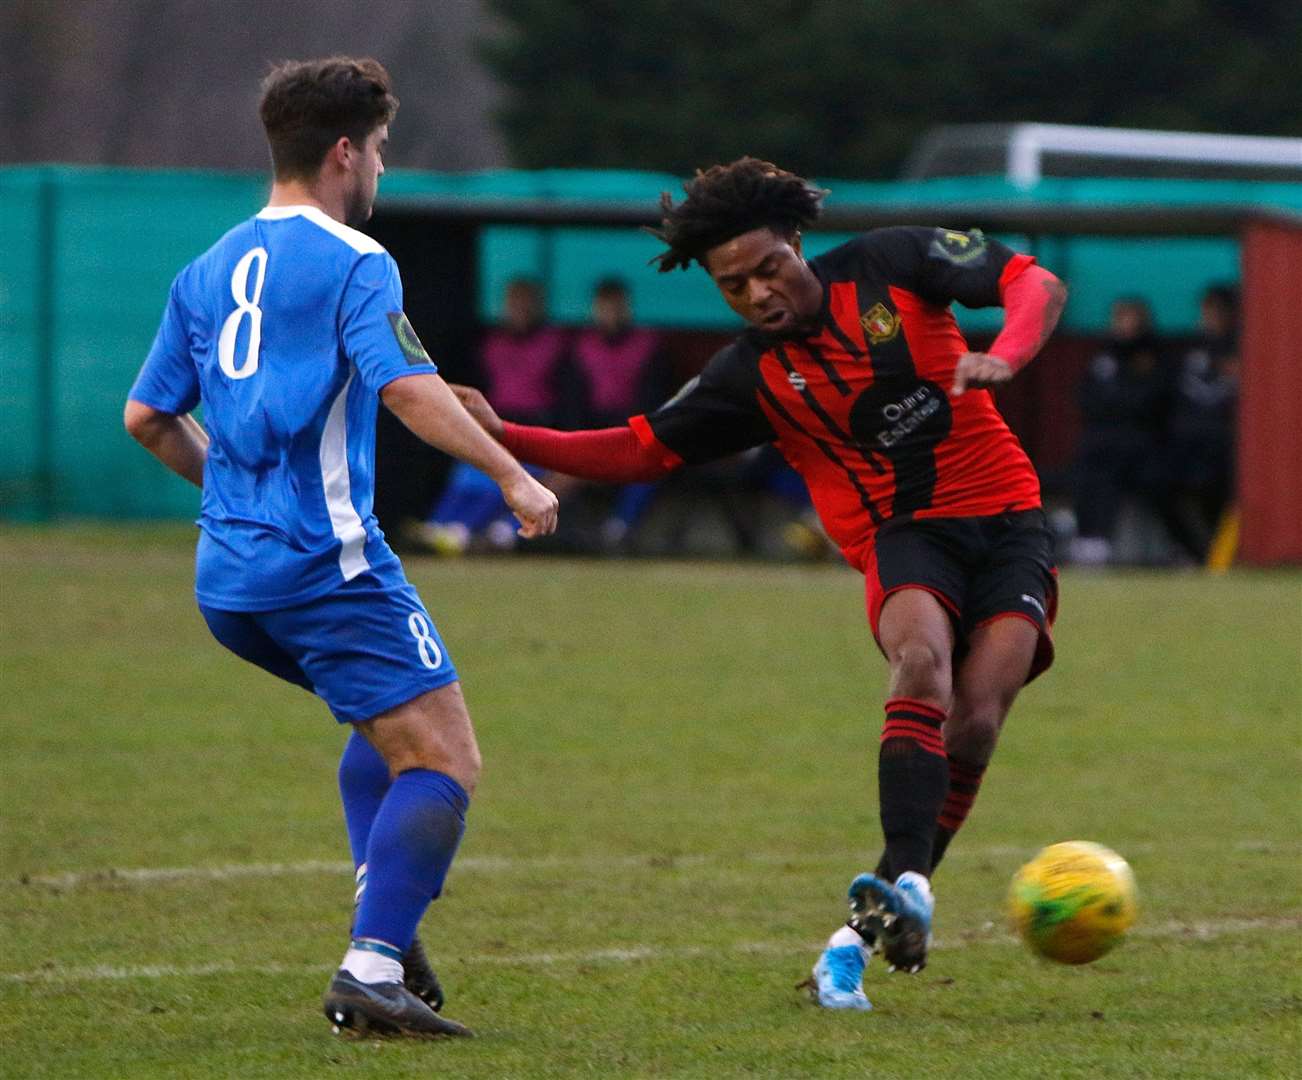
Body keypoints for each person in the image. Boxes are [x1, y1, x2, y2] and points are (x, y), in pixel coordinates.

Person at [452, 158, 1067, 1010]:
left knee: (978, 721)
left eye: (769, 268)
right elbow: (640, 448)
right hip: (903, 539)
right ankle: (913, 890)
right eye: (733, 285)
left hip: (1008, 522)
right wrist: (506, 432)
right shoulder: (748, 376)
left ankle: (851, 942)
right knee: (921, 660)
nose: (758, 294)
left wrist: (1004, 353)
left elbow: (1032, 280)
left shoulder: (892, 261)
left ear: (798, 243)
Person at [122, 57, 558, 1038]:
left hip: (228, 583)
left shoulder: (208, 268)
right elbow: (402, 390)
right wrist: (513, 476)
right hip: (328, 566)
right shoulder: (358, 260)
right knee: (445, 756)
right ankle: (371, 965)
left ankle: (388, 931)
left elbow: (147, 417)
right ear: (346, 152)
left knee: (386, 730)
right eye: (384, 153)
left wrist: (235, 498)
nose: (383, 174)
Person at [419, 277, 571, 554]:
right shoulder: (489, 343)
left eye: (525, 301)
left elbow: (568, 396)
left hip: (535, 426)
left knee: (505, 475)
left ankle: (468, 531)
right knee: (470, 471)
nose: (519, 308)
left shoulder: (555, 344)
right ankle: (439, 525)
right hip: (495, 422)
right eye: (513, 301)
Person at [1069, 297, 1172, 565]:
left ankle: (1105, 540)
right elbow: (1086, 398)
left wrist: (1118, 404)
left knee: (1122, 466)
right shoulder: (1103, 356)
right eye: (1119, 318)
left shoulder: (1154, 357)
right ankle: (1088, 538)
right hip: (1100, 440)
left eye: (1129, 318)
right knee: (1088, 467)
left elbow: (1153, 402)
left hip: (1143, 442)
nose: (1123, 325)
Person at [569, 278, 670, 549]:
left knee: (653, 461)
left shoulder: (647, 345)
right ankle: (515, 529)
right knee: (563, 466)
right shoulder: (583, 346)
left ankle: (619, 527)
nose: (610, 313)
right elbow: (574, 402)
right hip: (592, 434)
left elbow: (656, 399)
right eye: (604, 306)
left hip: (634, 433)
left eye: (616, 306)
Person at [1152, 284, 1239, 563]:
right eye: (1206, 310)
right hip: (1182, 441)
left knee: (1214, 491)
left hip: (1222, 442)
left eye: (1215, 310)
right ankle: (1195, 553)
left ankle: (1218, 555)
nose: (1208, 317)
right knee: (1158, 485)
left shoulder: (1246, 347)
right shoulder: (1189, 349)